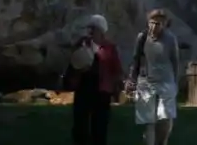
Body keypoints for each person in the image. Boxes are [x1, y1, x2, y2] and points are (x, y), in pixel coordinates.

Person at [63, 15, 121, 145]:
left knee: (100, 127)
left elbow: (116, 69)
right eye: (89, 28)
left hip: (102, 91)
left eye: (93, 28)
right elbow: (73, 63)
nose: (90, 31)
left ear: (101, 31)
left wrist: (116, 89)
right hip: (84, 87)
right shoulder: (82, 44)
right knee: (80, 126)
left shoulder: (109, 48)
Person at [126, 9, 182, 145]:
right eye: (152, 22)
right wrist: (131, 79)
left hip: (166, 80)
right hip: (146, 81)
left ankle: (162, 142)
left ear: (164, 24)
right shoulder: (142, 37)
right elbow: (136, 60)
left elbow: (175, 62)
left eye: (158, 24)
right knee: (148, 121)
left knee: (165, 117)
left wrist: (176, 82)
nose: (154, 26)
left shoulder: (170, 39)